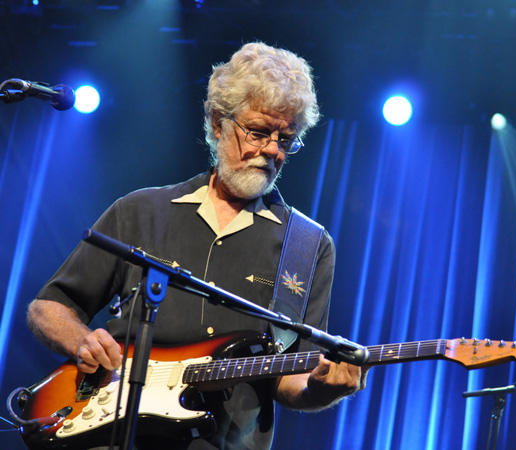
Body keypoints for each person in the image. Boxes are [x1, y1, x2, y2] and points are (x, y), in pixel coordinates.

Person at [27, 42, 368, 450]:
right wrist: (82, 340)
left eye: (286, 139)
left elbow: (290, 378)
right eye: (259, 132)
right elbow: (49, 307)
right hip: (111, 435)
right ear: (218, 123)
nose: (272, 150)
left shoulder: (308, 245)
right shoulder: (140, 211)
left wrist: (323, 388)